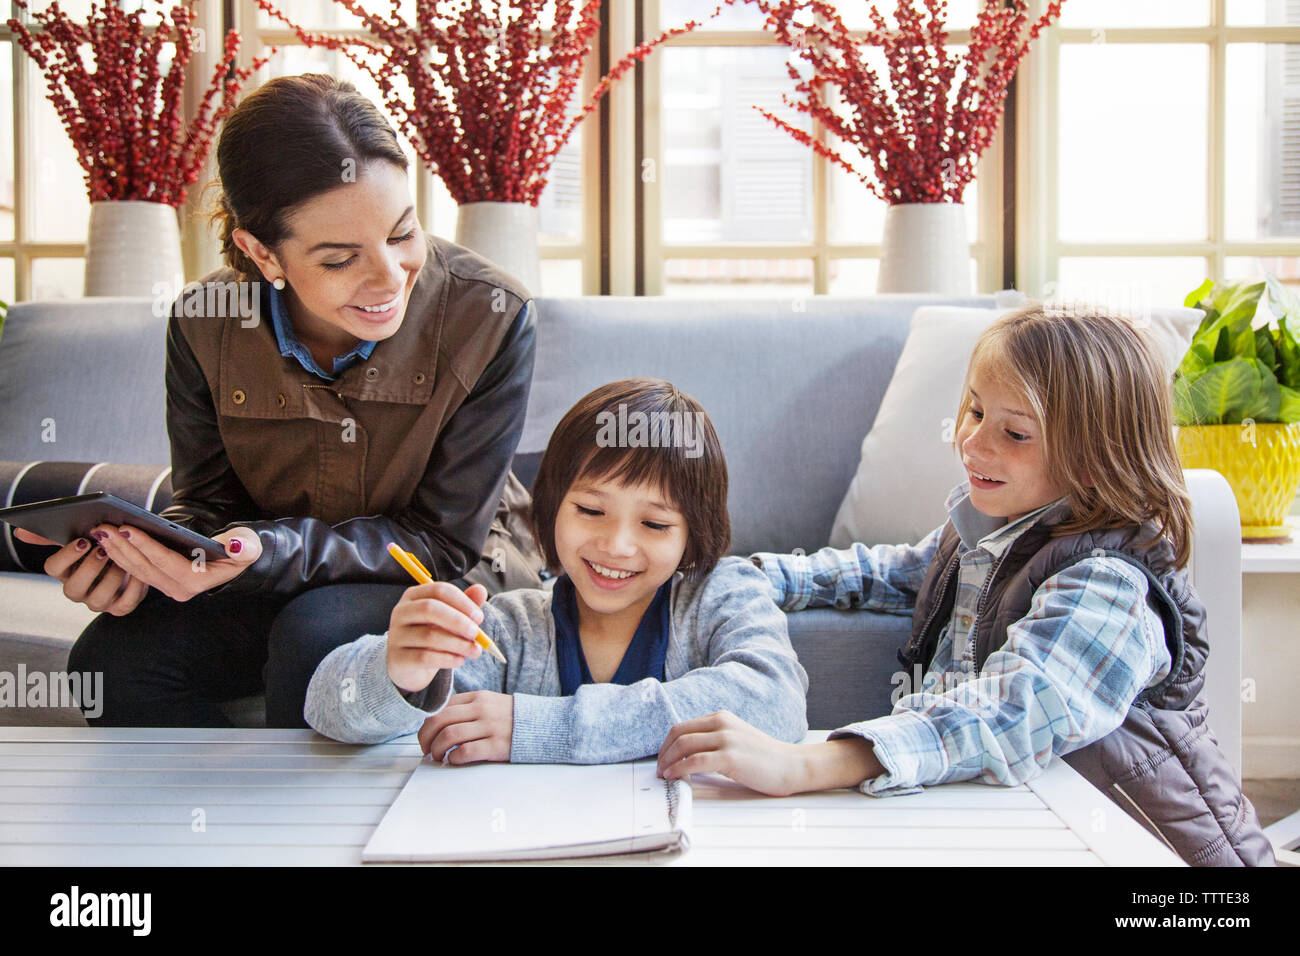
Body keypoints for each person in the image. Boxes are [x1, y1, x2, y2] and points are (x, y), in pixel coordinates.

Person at [656, 303, 1274, 866]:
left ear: (1094, 456)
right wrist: (731, 575)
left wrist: (807, 763)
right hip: (1033, 828)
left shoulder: (1109, 588)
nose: (971, 441)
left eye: (1015, 433)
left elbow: (1012, 711)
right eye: (975, 411)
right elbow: (885, 572)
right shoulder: (989, 532)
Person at [15, 74, 543, 728]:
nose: (389, 277)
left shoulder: (492, 315)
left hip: (442, 575)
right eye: (339, 258)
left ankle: (316, 830)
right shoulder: (205, 321)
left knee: (316, 636)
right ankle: (204, 824)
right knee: (113, 659)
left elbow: (440, 541)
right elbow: (209, 503)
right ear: (263, 253)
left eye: (402, 233)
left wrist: (264, 552)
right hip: (271, 573)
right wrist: (153, 565)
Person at [304, 379, 808, 762]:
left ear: (693, 533)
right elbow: (327, 709)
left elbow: (776, 705)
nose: (616, 545)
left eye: (654, 523)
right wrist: (399, 669)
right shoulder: (509, 627)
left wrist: (536, 728)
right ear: (549, 510)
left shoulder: (722, 593)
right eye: (591, 511)